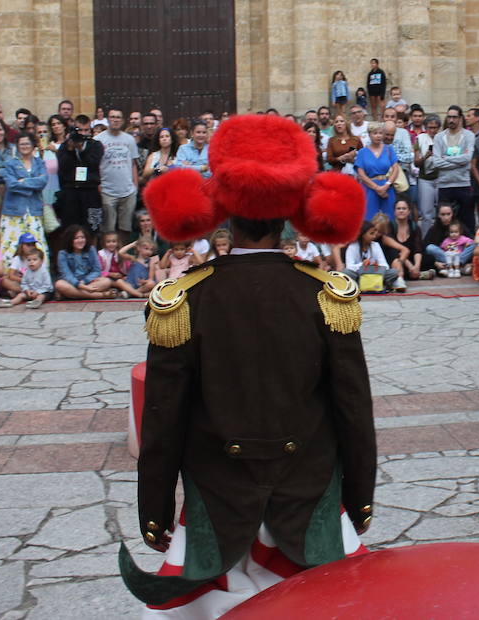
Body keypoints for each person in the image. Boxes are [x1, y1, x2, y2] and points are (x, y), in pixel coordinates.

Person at [122, 114, 372, 615]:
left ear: (223, 213)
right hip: (311, 496)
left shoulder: (181, 299)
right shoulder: (327, 295)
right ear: (288, 216)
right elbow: (353, 411)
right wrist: (359, 500)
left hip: (217, 499)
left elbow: (163, 419)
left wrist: (154, 511)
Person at [56, 117, 105, 236]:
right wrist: (70, 149)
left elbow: (93, 164)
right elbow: (63, 166)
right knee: (70, 229)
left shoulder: (96, 145)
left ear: (90, 130)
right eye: (80, 130)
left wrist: (82, 149)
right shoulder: (65, 146)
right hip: (71, 192)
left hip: (90, 192)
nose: (83, 134)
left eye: (86, 130)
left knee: (93, 227)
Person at [96, 108, 140, 238]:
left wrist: (135, 185)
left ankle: (123, 255)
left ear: (122, 120)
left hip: (127, 191)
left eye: (118, 117)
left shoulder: (129, 139)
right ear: (108, 119)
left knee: (125, 228)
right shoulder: (98, 139)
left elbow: (133, 164)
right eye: (112, 117)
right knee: (108, 229)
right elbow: (95, 165)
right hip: (107, 191)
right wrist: (98, 184)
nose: (115, 120)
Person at [431, 106, 475, 225]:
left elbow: (467, 158)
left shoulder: (469, 136)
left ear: (460, 118)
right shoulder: (439, 137)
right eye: (449, 117)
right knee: (444, 222)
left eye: (454, 117)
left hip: (463, 183)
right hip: (444, 184)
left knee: (467, 219)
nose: (451, 120)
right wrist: (459, 162)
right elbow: (436, 161)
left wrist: (447, 158)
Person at [354, 122, 400, 222]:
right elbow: (361, 174)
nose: (378, 136)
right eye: (375, 133)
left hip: (386, 187)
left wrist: (387, 185)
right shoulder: (363, 152)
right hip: (370, 188)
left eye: (380, 133)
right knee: (369, 219)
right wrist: (377, 188)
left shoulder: (389, 149)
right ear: (369, 135)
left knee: (389, 218)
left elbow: (396, 168)